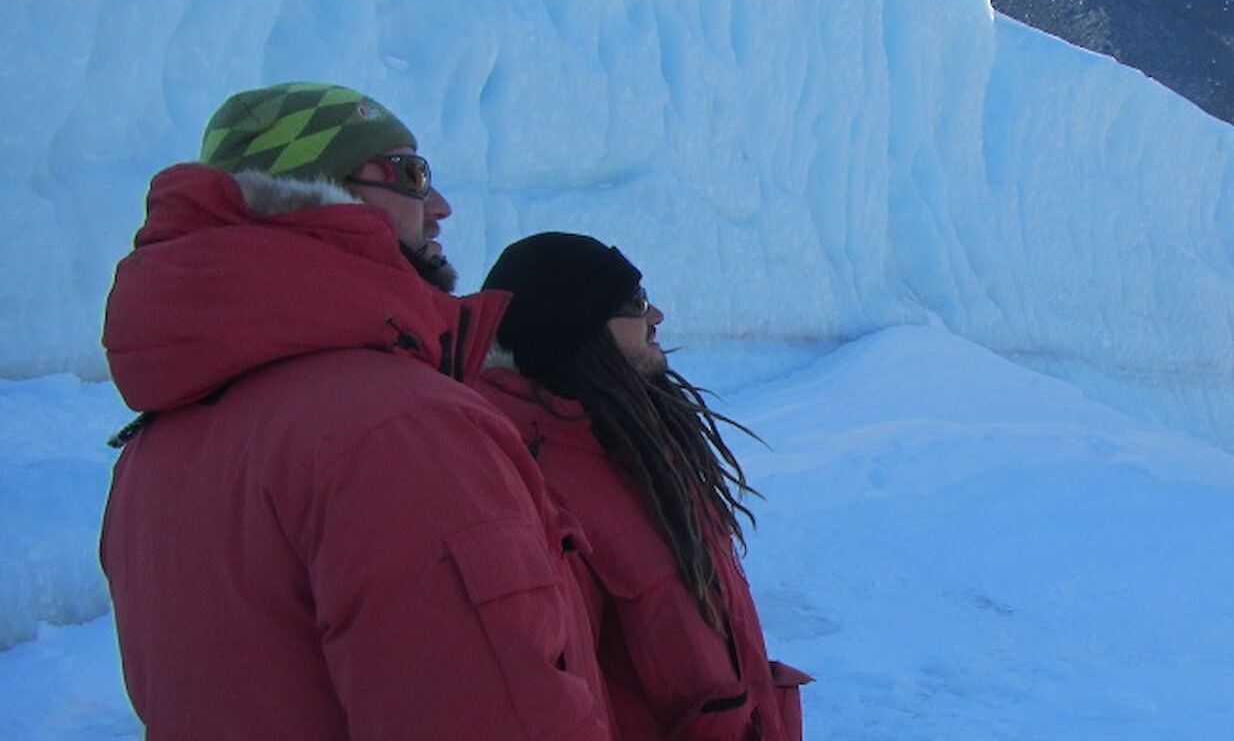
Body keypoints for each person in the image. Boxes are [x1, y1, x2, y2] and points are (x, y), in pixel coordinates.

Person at [99, 82, 611, 741]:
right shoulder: (398, 429)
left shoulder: (154, 451)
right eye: (410, 174)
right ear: (315, 191)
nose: (441, 206)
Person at [477, 232, 811, 741]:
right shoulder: (531, 481)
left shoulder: (635, 446)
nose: (656, 317)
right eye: (634, 304)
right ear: (574, 329)